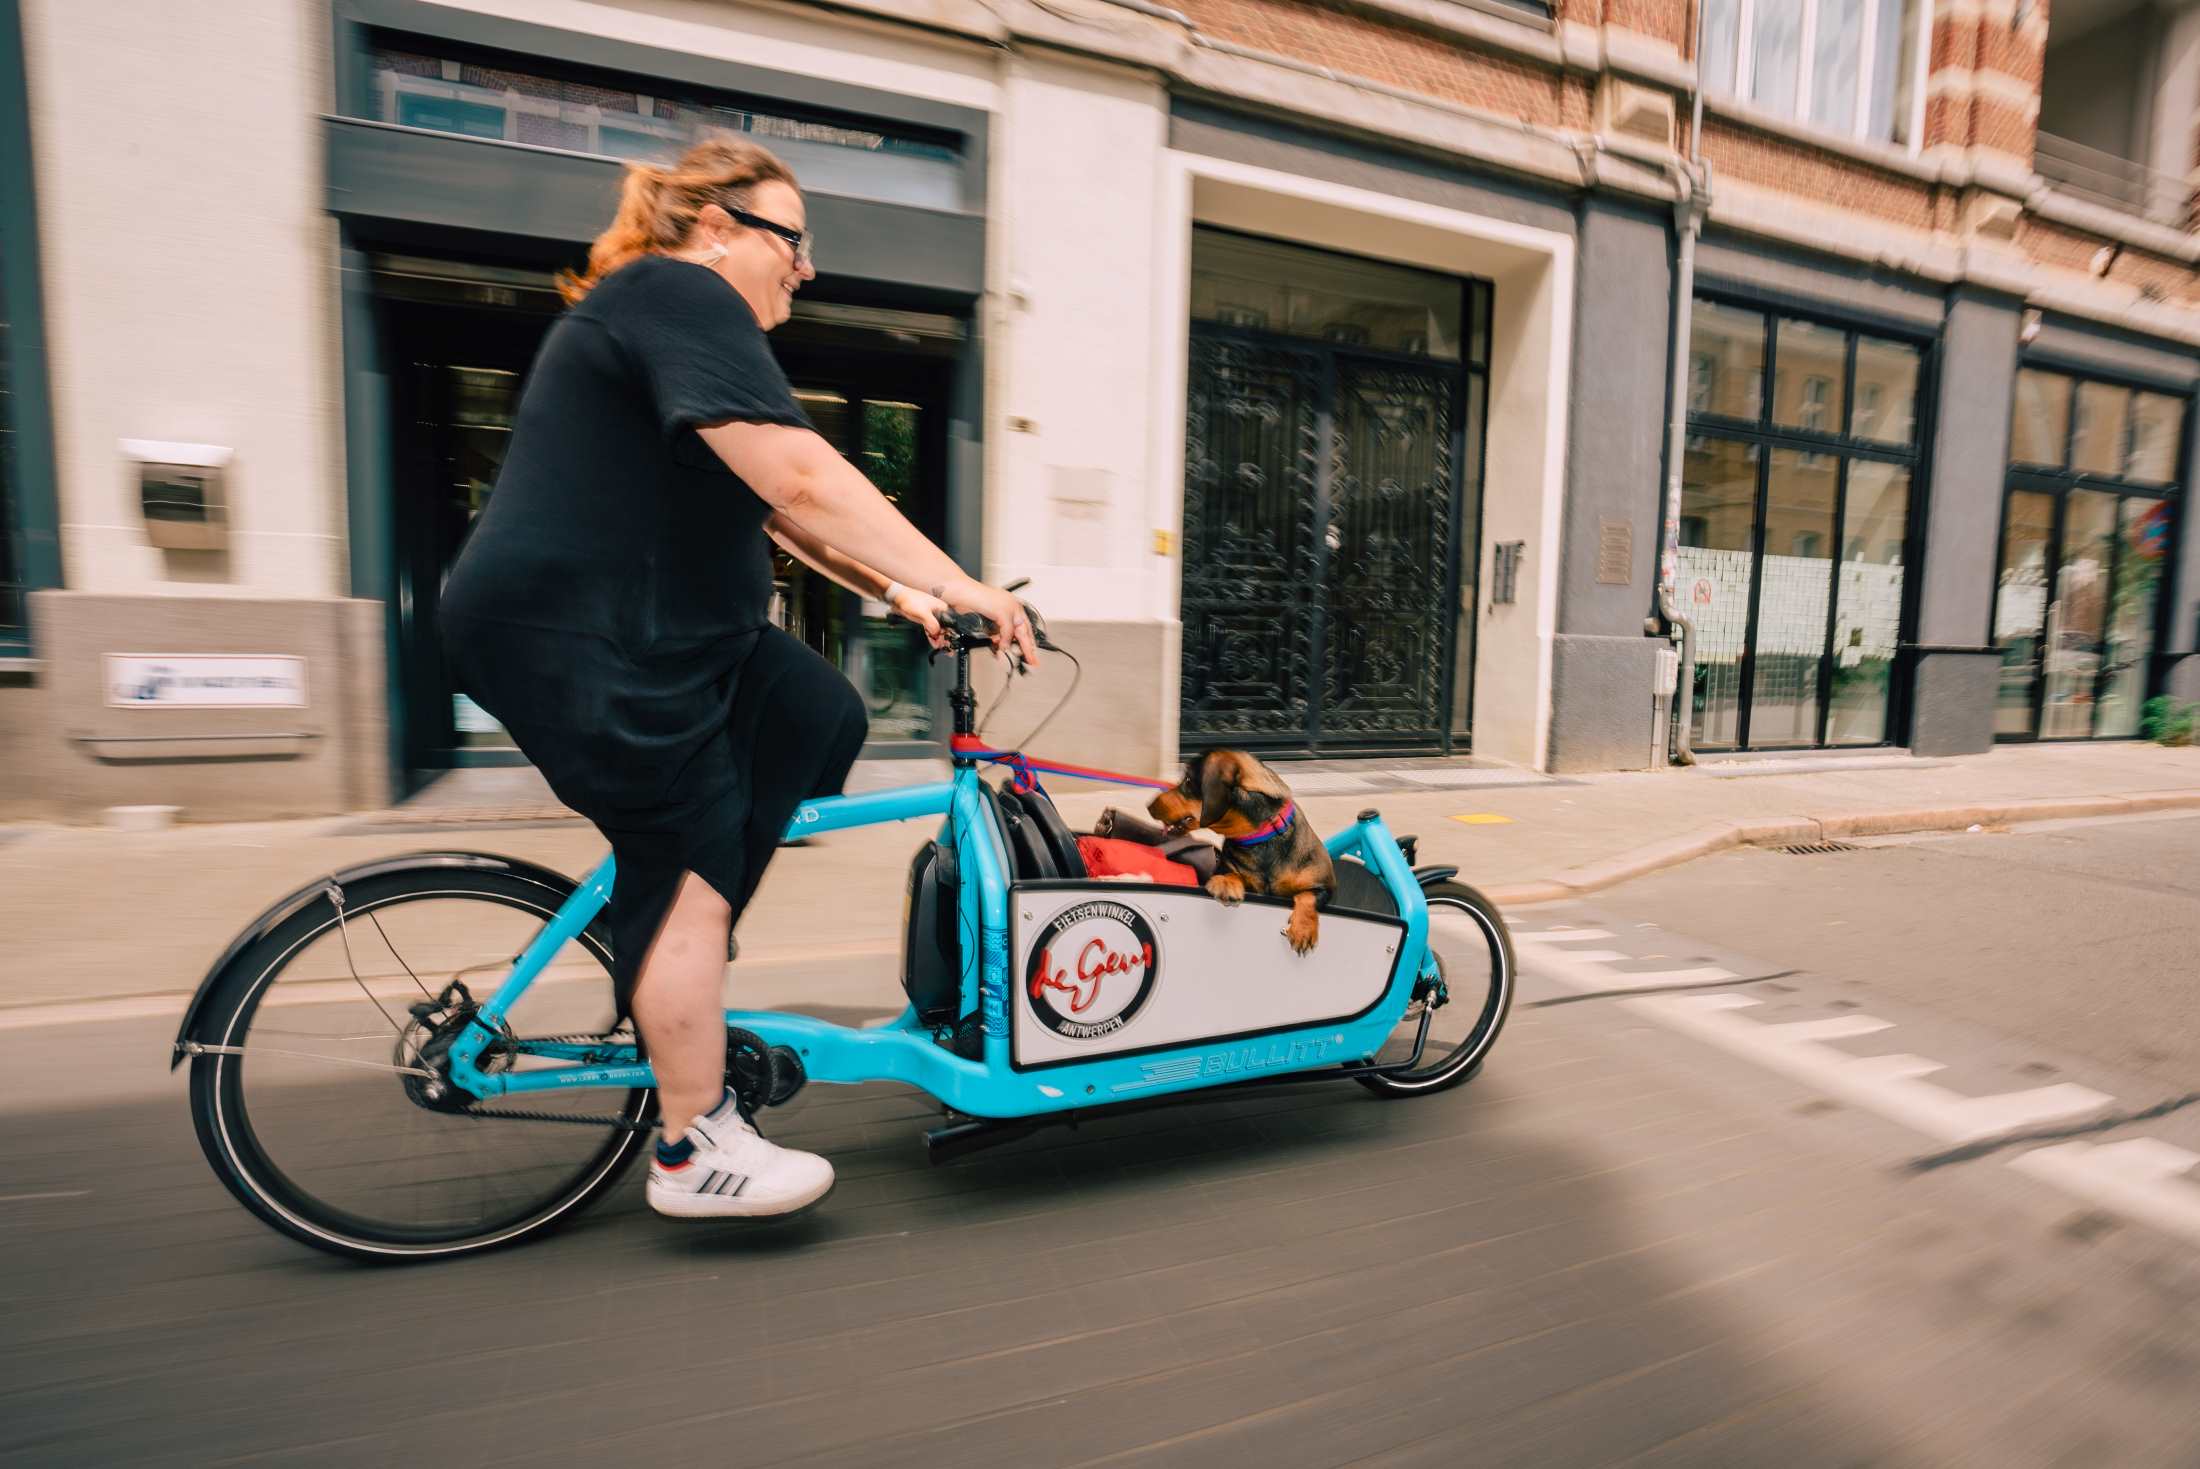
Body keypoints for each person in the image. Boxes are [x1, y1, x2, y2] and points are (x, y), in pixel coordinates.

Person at [440, 136, 1037, 1221]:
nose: (804, 270)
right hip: (588, 635)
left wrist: (898, 593)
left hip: (662, 629)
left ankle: (683, 944)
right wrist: (967, 583)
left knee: (817, 710)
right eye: (792, 242)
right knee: (688, 839)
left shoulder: (669, 323)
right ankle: (692, 1139)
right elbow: (802, 471)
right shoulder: (673, 289)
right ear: (716, 230)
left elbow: (773, 509)